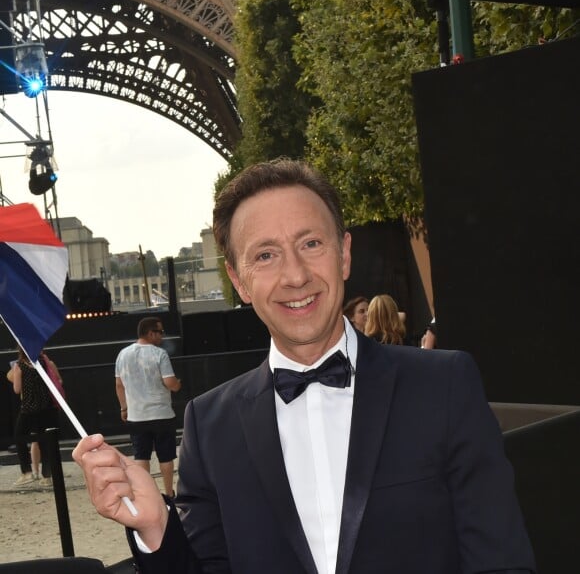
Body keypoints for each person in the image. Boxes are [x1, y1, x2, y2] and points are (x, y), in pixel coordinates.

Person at [73, 159, 535, 574]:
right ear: (239, 281)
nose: (295, 275)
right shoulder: (210, 426)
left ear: (345, 253)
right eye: (266, 255)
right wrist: (156, 528)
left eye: (311, 243)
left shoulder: (444, 386)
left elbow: (501, 560)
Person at [115, 317, 181, 497]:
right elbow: (169, 382)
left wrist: (124, 408)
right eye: (160, 332)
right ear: (151, 333)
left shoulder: (123, 354)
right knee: (166, 456)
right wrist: (177, 385)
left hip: (137, 415)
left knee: (141, 456)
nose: (162, 336)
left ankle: (146, 494)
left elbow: (119, 385)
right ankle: (168, 492)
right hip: (161, 413)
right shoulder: (159, 354)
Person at [10, 346, 61, 487]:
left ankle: (27, 472)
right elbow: (57, 380)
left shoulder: (19, 366)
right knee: (44, 441)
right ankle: (47, 476)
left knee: (19, 436)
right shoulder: (44, 363)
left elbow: (16, 389)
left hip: (29, 409)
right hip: (46, 408)